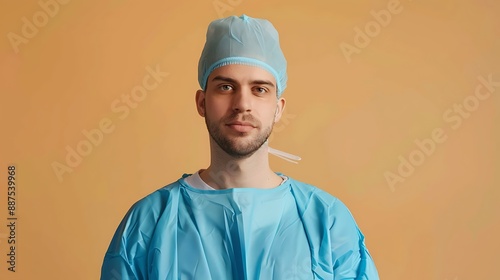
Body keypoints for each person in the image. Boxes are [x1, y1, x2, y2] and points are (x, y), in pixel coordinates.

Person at [101, 14, 379, 280]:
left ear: (278, 108)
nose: (242, 104)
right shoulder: (148, 223)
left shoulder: (327, 221)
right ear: (201, 102)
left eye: (260, 89)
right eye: (225, 87)